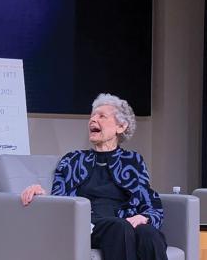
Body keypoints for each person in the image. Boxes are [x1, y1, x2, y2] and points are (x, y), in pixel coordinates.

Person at [21, 93, 167, 260]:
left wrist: (145, 217)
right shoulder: (73, 160)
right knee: (120, 227)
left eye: (101, 116)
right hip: (87, 226)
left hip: (122, 222)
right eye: (92, 116)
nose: (92, 120)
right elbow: (60, 200)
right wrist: (41, 194)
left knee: (148, 232)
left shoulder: (133, 161)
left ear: (121, 126)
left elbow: (149, 201)